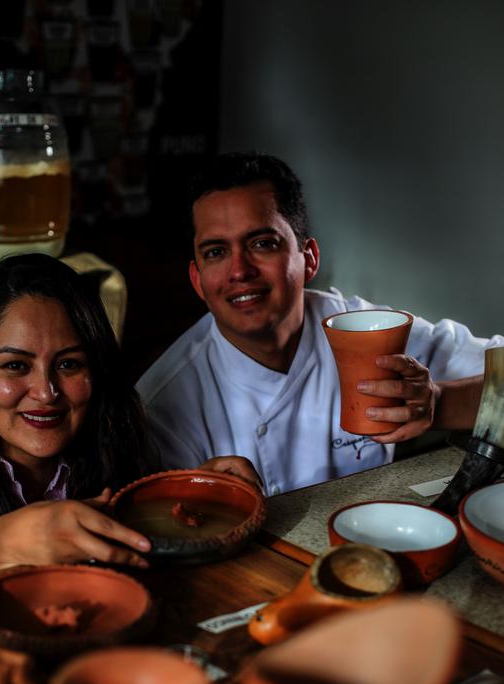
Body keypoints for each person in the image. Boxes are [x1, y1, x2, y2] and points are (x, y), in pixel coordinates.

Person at [0, 253, 254, 602]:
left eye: (69, 364)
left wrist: (177, 504)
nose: (46, 393)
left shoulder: (113, 440)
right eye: (15, 366)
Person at [137, 152, 504, 496]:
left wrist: (439, 402)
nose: (239, 271)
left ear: (308, 259)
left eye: (263, 243)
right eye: (216, 252)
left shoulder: (365, 330)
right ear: (198, 279)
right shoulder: (163, 405)